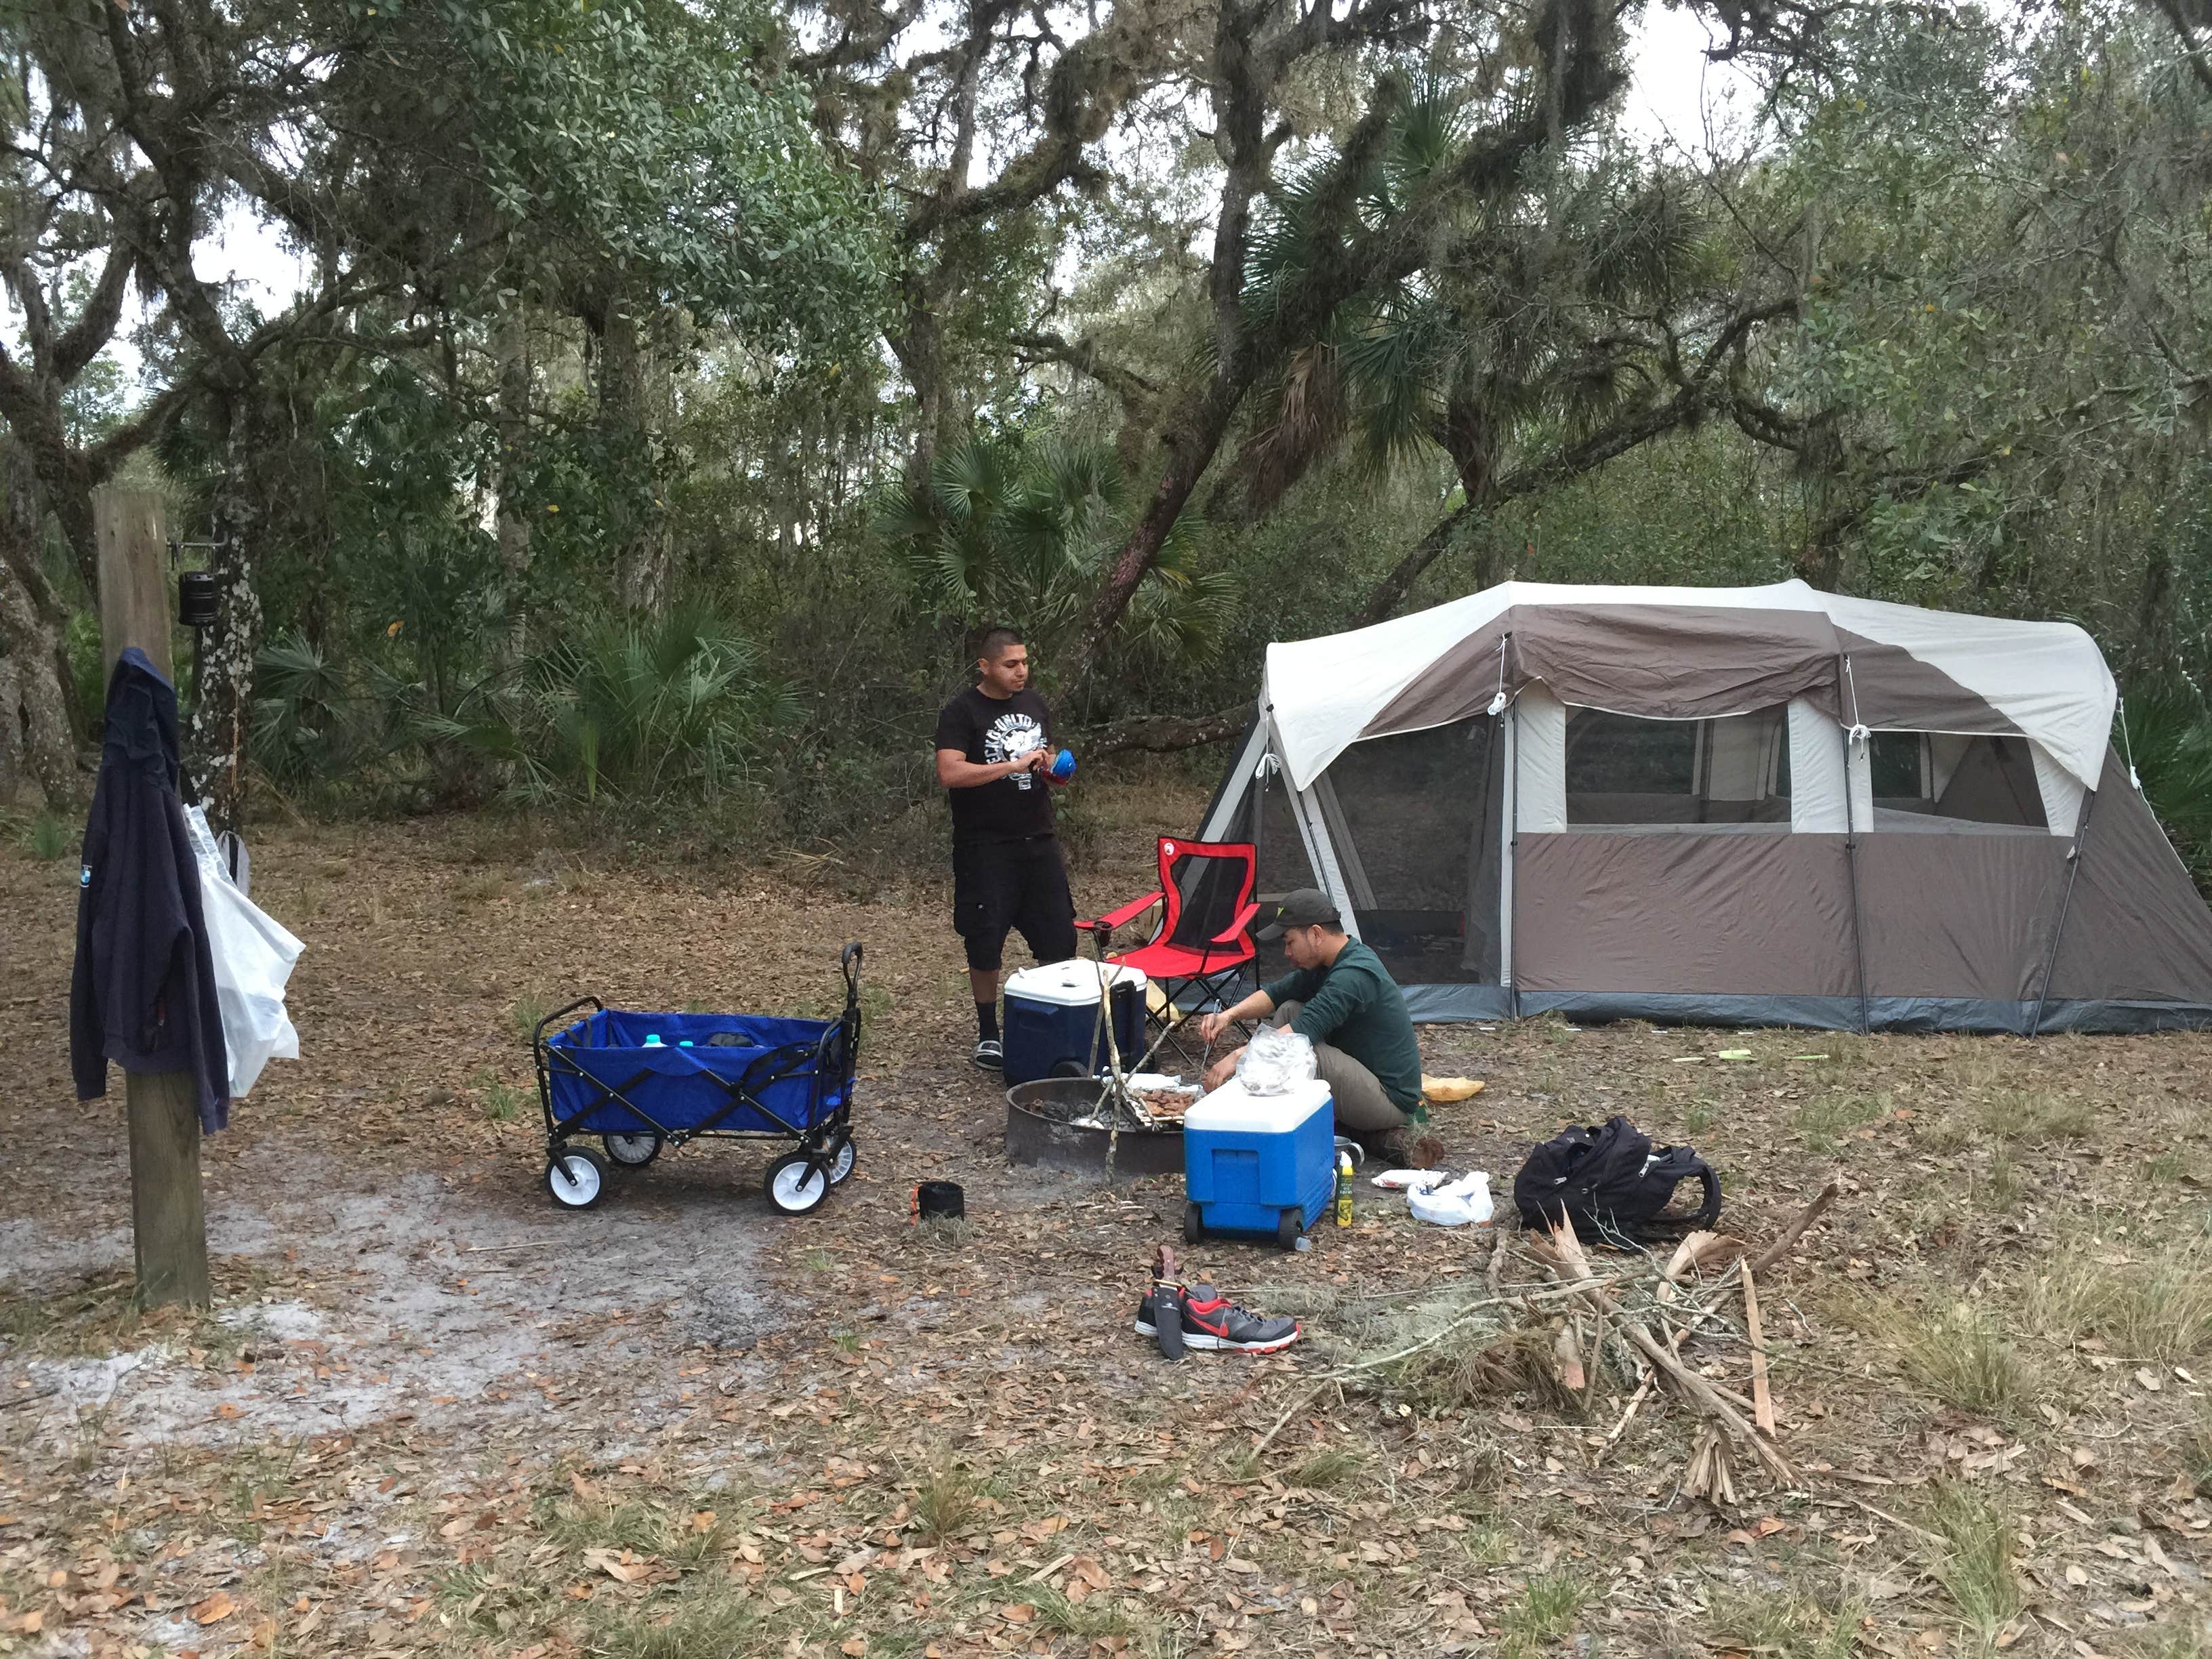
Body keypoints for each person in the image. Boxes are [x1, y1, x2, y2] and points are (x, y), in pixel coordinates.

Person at [1195, 889, 1433, 1164]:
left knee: (1306, 1051)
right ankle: (1276, 1112)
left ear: (1316, 934)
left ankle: (1277, 1119)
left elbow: (1300, 1034)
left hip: (1390, 1101)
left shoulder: (1353, 975)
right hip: (1363, 1077)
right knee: (1289, 1009)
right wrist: (1229, 1015)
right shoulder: (1329, 962)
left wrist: (1237, 1058)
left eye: (1290, 942)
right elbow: (1276, 994)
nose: (1286, 952)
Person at [935, 626, 1077, 1069]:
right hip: (985, 846)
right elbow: (950, 774)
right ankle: (988, 1033)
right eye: (1011, 664)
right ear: (986, 667)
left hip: (1039, 839)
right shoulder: (961, 712)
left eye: (1025, 662)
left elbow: (1045, 763)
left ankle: (1048, 1025)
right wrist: (1009, 765)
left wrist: (1053, 769)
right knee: (985, 940)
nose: (1021, 672)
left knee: (1059, 936)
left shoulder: (1034, 705)